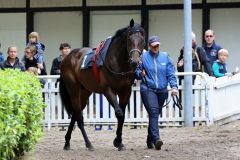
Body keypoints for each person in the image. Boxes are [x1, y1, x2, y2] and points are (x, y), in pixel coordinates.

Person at [135, 36, 178, 150]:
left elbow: (171, 74)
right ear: (149, 46)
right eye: (153, 45)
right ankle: (157, 139)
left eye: (157, 45)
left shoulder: (165, 57)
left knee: (155, 115)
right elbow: (136, 71)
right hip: (148, 89)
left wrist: (174, 87)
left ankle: (150, 140)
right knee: (154, 113)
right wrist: (140, 74)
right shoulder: (143, 57)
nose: (156, 47)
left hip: (162, 91)